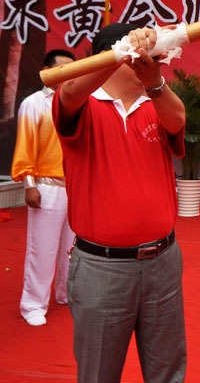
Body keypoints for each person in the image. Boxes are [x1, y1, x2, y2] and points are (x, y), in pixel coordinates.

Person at [53, 23, 187, 382]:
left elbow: (178, 119)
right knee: (99, 374)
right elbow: (68, 93)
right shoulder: (82, 106)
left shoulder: (155, 102)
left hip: (163, 262)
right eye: (146, 56)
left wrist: (156, 84)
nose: (154, 62)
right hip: (102, 269)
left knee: (168, 372)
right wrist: (120, 52)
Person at [11, 49, 76, 326]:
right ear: (46, 71)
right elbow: (25, 146)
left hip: (75, 187)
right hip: (46, 186)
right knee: (43, 249)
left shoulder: (78, 103)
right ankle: (33, 305)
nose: (67, 75)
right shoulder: (34, 103)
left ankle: (66, 294)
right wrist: (29, 184)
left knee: (73, 249)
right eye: (61, 70)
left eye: (72, 70)